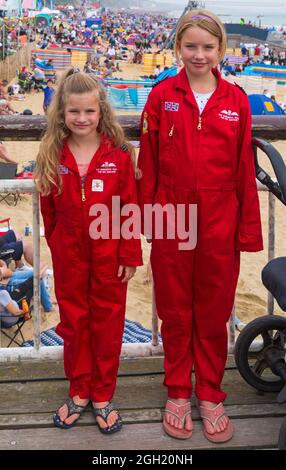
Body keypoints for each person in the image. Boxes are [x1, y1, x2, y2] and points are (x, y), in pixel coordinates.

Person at [137, 10, 263, 443]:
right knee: (174, 310)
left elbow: (245, 171)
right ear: (177, 48)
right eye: (190, 46)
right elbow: (148, 163)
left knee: (212, 311)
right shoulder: (161, 96)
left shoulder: (236, 101)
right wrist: (148, 218)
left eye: (208, 47)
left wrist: (247, 231)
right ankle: (176, 390)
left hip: (219, 224)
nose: (199, 54)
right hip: (172, 221)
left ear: (221, 52)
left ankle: (209, 392)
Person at [35, 69, 142, 433]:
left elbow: (130, 207)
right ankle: (79, 389)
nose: (81, 119)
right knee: (74, 323)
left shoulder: (120, 154)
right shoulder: (52, 152)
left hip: (110, 255)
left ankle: (102, 393)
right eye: (73, 112)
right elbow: (47, 210)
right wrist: (58, 244)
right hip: (70, 255)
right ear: (62, 113)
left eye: (89, 112)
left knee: (108, 324)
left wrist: (129, 254)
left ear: (101, 113)